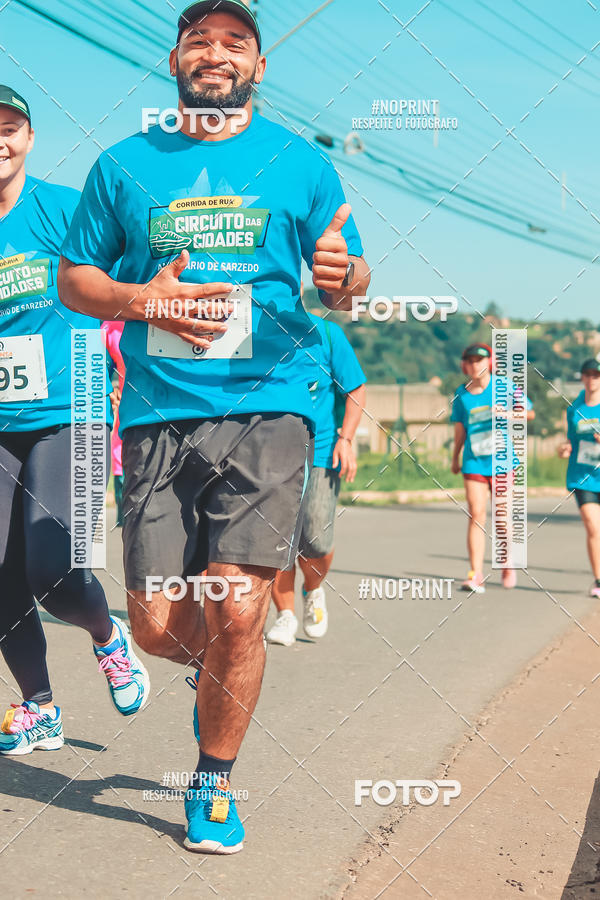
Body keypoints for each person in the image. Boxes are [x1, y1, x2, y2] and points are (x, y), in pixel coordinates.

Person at [57, 0, 370, 854]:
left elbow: (348, 277)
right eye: (199, 39)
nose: (217, 52)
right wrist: (139, 298)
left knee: (238, 606)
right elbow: (75, 280)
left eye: (237, 42)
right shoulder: (123, 165)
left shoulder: (300, 163)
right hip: (157, 414)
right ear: (175, 61)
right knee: (156, 624)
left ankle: (213, 781)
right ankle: (215, 672)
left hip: (272, 404)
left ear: (258, 67)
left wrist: (344, 278)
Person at [0, 87, 149, 756]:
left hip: (74, 406)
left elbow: (131, 273)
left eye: (10, 127)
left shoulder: (64, 209)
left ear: (29, 138)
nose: (0, 140)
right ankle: (39, 709)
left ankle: (108, 637)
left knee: (54, 570)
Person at [266, 311, 366, 646]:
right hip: (270, 455)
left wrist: (346, 439)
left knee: (317, 540)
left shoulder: (327, 334)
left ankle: (313, 588)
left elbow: (356, 389)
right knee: (276, 541)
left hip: (321, 452)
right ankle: (285, 615)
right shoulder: (257, 333)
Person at [450, 342, 534, 593]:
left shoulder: (504, 386)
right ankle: (475, 574)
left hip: (502, 462)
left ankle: (507, 561)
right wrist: (454, 457)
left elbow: (529, 412)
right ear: (465, 365)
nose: (475, 365)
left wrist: (508, 414)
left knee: (502, 520)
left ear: (490, 362)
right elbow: (460, 429)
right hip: (474, 461)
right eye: (470, 361)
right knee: (476, 515)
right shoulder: (461, 394)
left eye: (480, 360)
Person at [557, 358, 600, 597]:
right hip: (583, 477)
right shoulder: (574, 409)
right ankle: (599, 581)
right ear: (582, 377)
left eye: (596, 375)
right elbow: (570, 440)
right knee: (593, 527)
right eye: (588, 374)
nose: (592, 379)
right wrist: (565, 448)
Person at [102, 320, 126, 527]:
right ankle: (123, 509)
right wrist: (109, 386)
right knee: (120, 448)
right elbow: (99, 361)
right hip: (130, 410)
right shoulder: (110, 325)